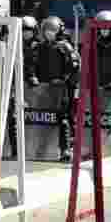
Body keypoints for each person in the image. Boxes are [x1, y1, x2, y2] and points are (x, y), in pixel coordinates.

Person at [34, 16, 80, 162]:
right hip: (44, 88)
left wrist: (63, 79)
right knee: (42, 117)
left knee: (62, 119)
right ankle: (39, 147)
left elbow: (74, 67)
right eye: (47, 31)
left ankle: (65, 149)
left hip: (61, 90)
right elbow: (34, 64)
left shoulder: (65, 46)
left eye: (52, 31)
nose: (49, 33)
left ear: (58, 31)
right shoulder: (40, 47)